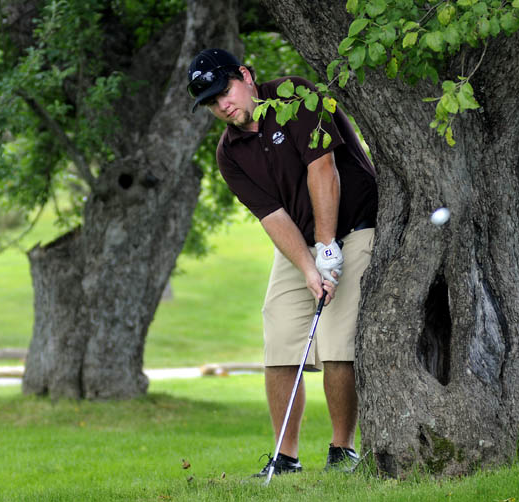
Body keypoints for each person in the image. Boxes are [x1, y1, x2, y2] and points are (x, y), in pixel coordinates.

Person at [187, 48, 378, 476]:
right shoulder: (229, 153)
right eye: (212, 103)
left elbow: (323, 169)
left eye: (225, 91)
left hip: (354, 227)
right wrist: (310, 269)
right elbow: (272, 217)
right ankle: (286, 458)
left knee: (337, 342)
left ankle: (341, 450)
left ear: (245, 75)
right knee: (280, 341)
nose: (222, 105)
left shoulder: (295, 96)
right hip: (300, 242)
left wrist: (328, 247)